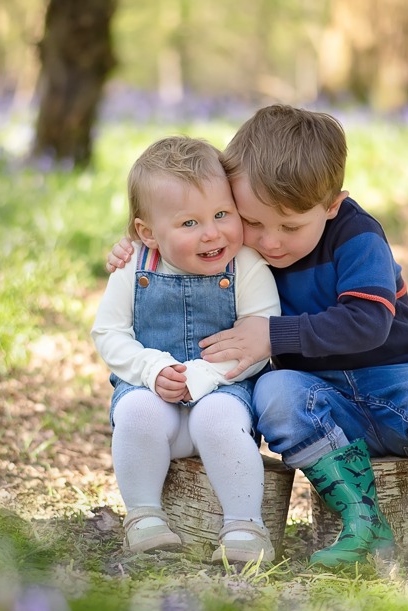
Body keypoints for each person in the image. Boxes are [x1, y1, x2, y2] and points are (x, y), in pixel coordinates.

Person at [107, 106, 408, 570]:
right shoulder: (236, 239)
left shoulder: (357, 236)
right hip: (321, 402)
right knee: (273, 393)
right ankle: (361, 520)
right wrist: (137, 248)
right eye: (253, 221)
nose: (269, 242)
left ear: (331, 205)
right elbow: (181, 231)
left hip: (396, 380)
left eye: (290, 227)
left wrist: (272, 334)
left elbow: (367, 321)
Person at [91, 136, 281, 564]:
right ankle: (143, 516)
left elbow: (259, 335)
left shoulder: (247, 266)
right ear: (147, 232)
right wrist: (150, 368)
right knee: (136, 412)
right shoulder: (133, 267)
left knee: (217, 417)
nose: (212, 232)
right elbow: (108, 333)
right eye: (189, 223)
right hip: (154, 397)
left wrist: (206, 376)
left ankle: (245, 525)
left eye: (221, 214)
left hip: (222, 393)